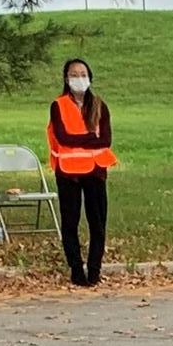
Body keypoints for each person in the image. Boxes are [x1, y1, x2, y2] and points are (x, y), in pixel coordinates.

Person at [46, 55, 118, 286]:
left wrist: (82, 141)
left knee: (98, 223)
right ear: (66, 79)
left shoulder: (99, 105)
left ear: (90, 78)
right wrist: (89, 138)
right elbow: (62, 137)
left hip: (96, 171)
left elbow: (105, 140)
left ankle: (94, 270)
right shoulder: (58, 105)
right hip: (68, 172)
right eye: (74, 75)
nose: (79, 79)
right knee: (70, 222)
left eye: (83, 74)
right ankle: (76, 270)